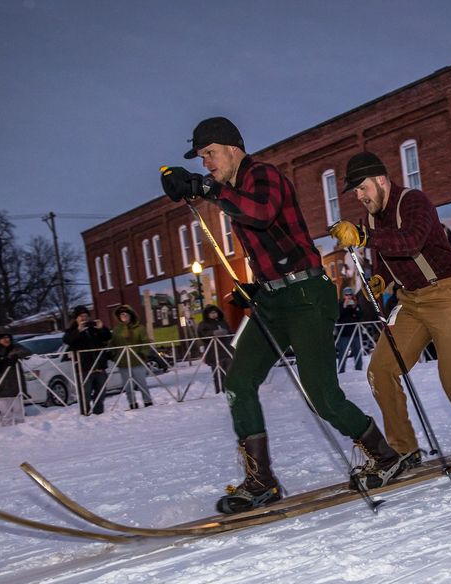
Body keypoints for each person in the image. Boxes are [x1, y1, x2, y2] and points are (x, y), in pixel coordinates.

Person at [161, 117, 407, 510]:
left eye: (209, 154)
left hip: (308, 295)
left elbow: (260, 213)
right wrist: (258, 286)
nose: (206, 163)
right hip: (272, 301)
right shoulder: (228, 190)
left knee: (321, 396)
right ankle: (261, 482)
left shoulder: (264, 176)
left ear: (231, 148)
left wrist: (205, 188)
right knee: (238, 382)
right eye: (202, 158)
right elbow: (267, 246)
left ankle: (385, 456)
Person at [330, 152, 451, 460]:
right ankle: (404, 448)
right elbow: (385, 259)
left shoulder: (414, 201)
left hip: (447, 295)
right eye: (355, 191)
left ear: (380, 180)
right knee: (380, 371)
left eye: (362, 188)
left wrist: (364, 236)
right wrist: (380, 280)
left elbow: (411, 241)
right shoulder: (372, 217)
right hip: (411, 300)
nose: (359, 196)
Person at [62, 305, 113, 415]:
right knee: (85, 392)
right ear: (76, 318)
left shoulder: (93, 328)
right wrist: (78, 330)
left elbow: (107, 337)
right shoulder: (71, 330)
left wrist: (102, 328)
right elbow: (67, 340)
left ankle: (98, 412)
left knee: (102, 391)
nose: (84, 318)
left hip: (99, 365)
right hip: (84, 368)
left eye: (86, 316)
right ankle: (85, 413)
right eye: (81, 316)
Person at [0, 328, 32, 426]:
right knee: (4, 410)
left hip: (15, 383)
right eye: (3, 338)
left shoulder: (15, 347)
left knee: (18, 409)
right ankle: (6, 428)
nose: (6, 340)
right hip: (0, 383)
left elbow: (27, 351)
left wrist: (13, 355)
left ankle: (21, 426)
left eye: (7, 337)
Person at [109, 305, 154, 409]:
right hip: (123, 362)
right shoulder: (117, 330)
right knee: (128, 386)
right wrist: (113, 355)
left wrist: (143, 353)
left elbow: (145, 342)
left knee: (142, 383)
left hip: (137, 360)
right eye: (121, 314)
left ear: (130, 315)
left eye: (125, 314)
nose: (123, 316)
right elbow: (112, 344)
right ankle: (132, 403)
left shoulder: (139, 328)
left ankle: (148, 402)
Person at [197, 304, 233, 394]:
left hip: (226, 350)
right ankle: (219, 390)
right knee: (217, 374)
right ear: (207, 314)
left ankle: (230, 390)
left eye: (215, 312)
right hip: (214, 352)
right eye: (211, 313)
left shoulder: (223, 322)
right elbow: (202, 335)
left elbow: (230, 332)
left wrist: (227, 333)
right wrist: (213, 333)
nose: (213, 314)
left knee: (229, 372)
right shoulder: (203, 324)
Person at [334, 287, 364, 374]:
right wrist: (344, 306)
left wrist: (354, 307)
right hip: (343, 334)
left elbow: (361, 315)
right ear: (343, 295)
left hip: (355, 333)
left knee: (357, 352)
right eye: (347, 295)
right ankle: (341, 371)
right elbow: (337, 316)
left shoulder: (355, 303)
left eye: (350, 294)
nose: (349, 297)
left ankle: (359, 371)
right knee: (342, 353)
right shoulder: (340, 304)